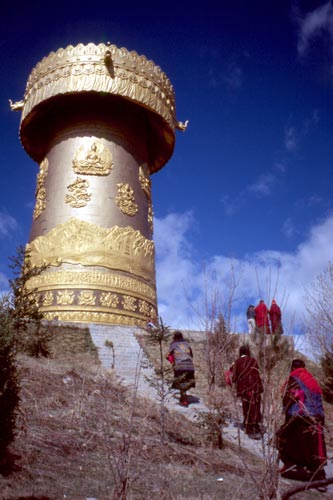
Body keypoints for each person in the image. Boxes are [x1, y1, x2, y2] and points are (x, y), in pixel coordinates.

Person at [276, 359, 327, 483]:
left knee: (285, 438)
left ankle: (295, 469)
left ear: (293, 368)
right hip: (317, 418)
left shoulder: (293, 378)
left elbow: (288, 399)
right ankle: (317, 472)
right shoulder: (311, 379)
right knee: (312, 446)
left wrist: (286, 414)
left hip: (300, 416)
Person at [231, 344, 263, 439]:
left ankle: (249, 428)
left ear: (240, 352)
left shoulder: (237, 362)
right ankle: (256, 426)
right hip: (255, 387)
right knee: (256, 406)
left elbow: (234, 378)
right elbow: (257, 373)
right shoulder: (254, 361)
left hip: (245, 388)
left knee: (247, 407)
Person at [166, 331, 195, 407]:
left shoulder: (173, 344)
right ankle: (183, 396)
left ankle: (184, 399)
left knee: (181, 382)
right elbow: (191, 355)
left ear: (174, 337)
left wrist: (172, 361)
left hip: (180, 366)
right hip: (190, 366)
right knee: (186, 382)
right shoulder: (187, 344)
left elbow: (167, 355)